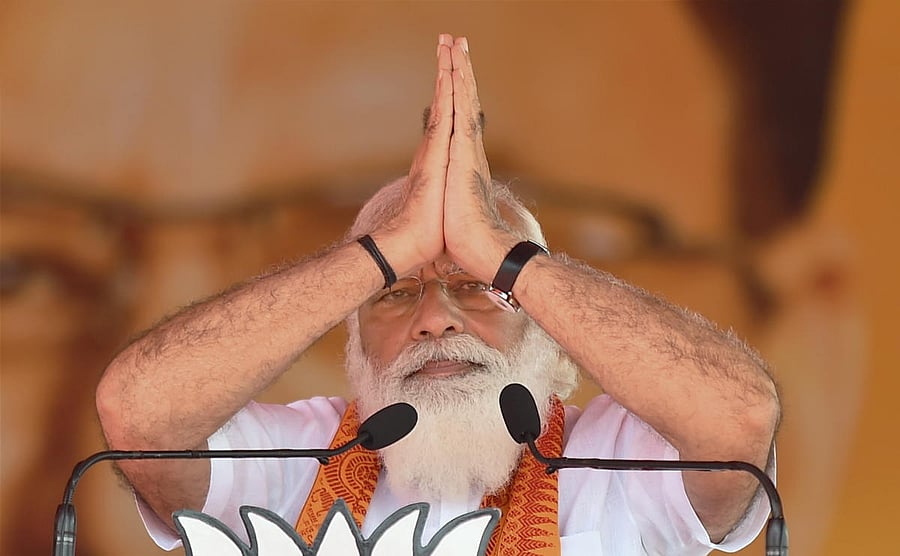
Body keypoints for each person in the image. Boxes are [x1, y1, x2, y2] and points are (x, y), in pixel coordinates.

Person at [95, 34, 779, 555]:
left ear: (551, 333)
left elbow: (740, 418)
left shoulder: (616, 465)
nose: (434, 321)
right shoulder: (300, 457)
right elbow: (140, 415)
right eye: (393, 295)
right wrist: (382, 249)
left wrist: (502, 252)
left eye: (479, 289)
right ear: (353, 341)